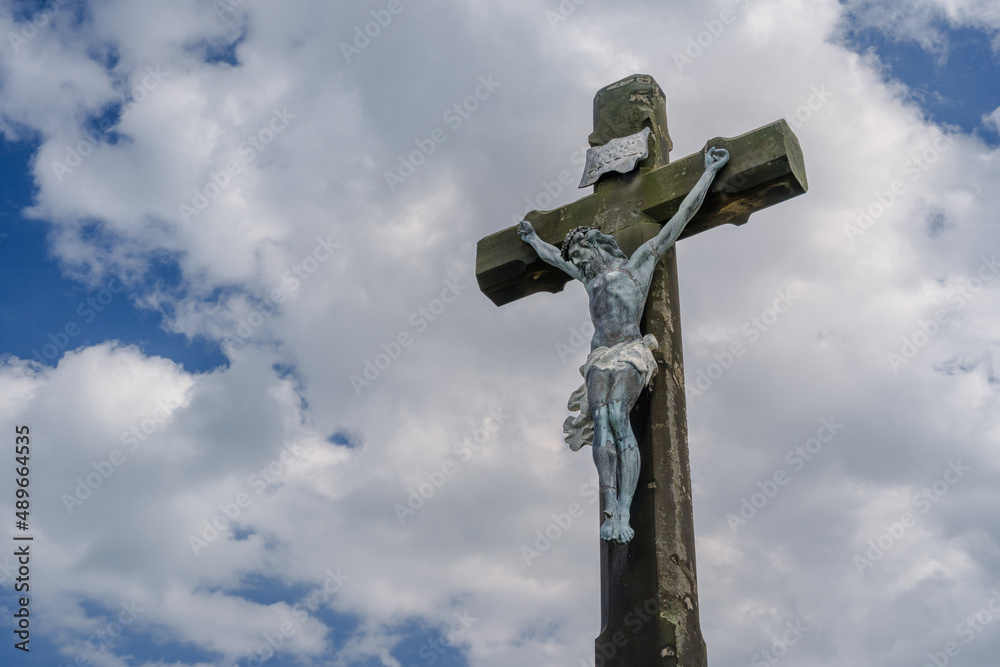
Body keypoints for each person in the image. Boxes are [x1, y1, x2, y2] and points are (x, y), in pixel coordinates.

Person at [517, 146, 730, 542]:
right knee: (600, 420)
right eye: (575, 258)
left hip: (631, 350)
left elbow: (680, 218)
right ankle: (611, 506)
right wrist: (533, 241)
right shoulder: (589, 280)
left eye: (581, 254)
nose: (579, 262)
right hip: (600, 356)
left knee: (618, 413)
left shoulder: (637, 266)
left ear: (596, 246)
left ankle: (625, 512)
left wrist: (709, 173)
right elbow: (552, 258)